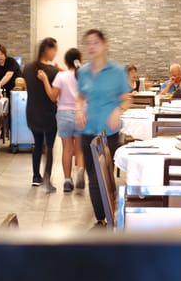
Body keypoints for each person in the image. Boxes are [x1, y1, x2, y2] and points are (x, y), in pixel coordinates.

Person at [76, 29, 131, 227]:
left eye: (95, 43)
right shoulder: (82, 72)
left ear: (104, 45)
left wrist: (118, 109)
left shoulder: (117, 71)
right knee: (92, 176)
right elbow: (81, 96)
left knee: (106, 176)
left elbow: (126, 98)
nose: (91, 47)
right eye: (88, 43)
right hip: (88, 131)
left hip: (109, 132)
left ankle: (110, 213)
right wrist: (79, 109)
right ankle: (101, 218)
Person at [38, 48, 85, 192]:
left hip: (64, 114)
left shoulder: (61, 76)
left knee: (67, 149)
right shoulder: (85, 76)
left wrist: (45, 80)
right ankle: (80, 174)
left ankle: (67, 180)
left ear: (65, 62)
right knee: (79, 150)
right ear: (80, 61)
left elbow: (53, 96)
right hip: (81, 113)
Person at [22, 37, 59, 192]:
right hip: (49, 113)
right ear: (47, 49)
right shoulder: (53, 71)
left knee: (37, 144)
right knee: (49, 147)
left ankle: (35, 177)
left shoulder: (27, 68)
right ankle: (47, 178)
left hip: (32, 111)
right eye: (54, 49)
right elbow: (54, 95)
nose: (55, 53)